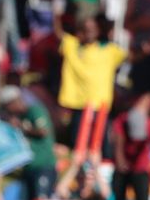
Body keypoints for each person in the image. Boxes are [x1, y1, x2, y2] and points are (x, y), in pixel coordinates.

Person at [0, 86, 57, 200]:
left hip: (43, 167)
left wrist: (21, 128)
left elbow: (42, 131)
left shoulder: (35, 111)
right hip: (29, 168)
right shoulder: (20, 118)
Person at [54, 11, 126, 150]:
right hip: (79, 103)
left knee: (100, 144)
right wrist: (56, 15)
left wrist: (144, 50)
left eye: (92, 30)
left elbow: (130, 56)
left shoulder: (109, 50)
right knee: (77, 143)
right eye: (85, 30)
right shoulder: (71, 45)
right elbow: (59, 34)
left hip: (100, 104)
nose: (89, 34)